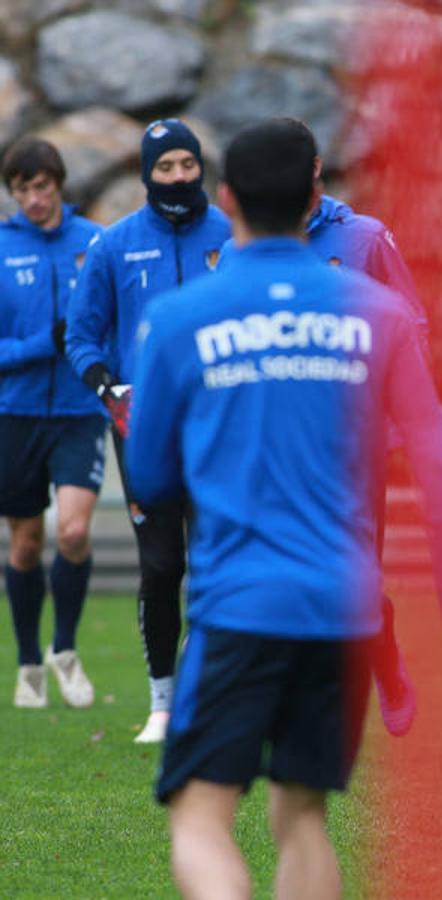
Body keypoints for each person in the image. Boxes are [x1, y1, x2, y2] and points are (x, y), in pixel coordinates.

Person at [124, 118, 442, 897]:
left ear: (225, 199)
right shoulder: (378, 314)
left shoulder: (181, 319)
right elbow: (436, 466)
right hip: (344, 608)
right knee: (302, 817)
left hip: (239, 607)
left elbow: (151, 479)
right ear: (314, 198)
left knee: (199, 816)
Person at [219, 121, 423, 735]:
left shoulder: (363, 238)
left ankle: (381, 657)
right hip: (268, 448)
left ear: (316, 170)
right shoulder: (238, 249)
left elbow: (411, 329)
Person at [64, 119, 232, 743]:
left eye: (188, 164)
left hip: (223, 427)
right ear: (146, 174)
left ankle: (210, 693)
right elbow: (82, 336)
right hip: (146, 430)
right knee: (162, 568)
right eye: (166, 168)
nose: (179, 177)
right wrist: (108, 388)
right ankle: (162, 704)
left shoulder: (232, 236)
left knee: (219, 564)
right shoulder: (114, 245)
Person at [0, 137, 104, 709]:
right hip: (15, 414)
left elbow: (109, 322)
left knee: (72, 532)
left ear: (58, 184)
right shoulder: (2, 248)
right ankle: (27, 663)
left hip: (79, 413)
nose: (35, 198)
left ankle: (64, 648)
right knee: (25, 543)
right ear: (12, 193)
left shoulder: (94, 243)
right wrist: (44, 344)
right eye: (23, 189)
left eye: (43, 186)